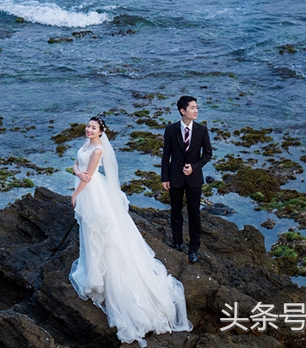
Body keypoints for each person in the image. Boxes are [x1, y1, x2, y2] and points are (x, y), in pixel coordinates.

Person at [70, 116, 191, 347]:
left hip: (92, 192)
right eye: (88, 126)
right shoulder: (86, 144)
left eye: (93, 127)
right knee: (90, 231)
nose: (89, 129)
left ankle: (101, 276)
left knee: (99, 232)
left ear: (101, 131)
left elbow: (90, 175)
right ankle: (93, 269)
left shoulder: (97, 149)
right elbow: (78, 166)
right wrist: (77, 173)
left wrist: (75, 194)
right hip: (88, 188)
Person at [160, 95, 212, 263]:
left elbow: (207, 154)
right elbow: (166, 155)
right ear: (183, 111)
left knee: (194, 213)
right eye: (192, 108)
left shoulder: (202, 130)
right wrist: (164, 177)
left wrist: (194, 167)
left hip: (194, 179)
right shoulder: (171, 130)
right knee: (176, 211)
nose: (196, 110)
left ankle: (194, 249)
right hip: (175, 177)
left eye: (196, 107)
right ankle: (177, 243)